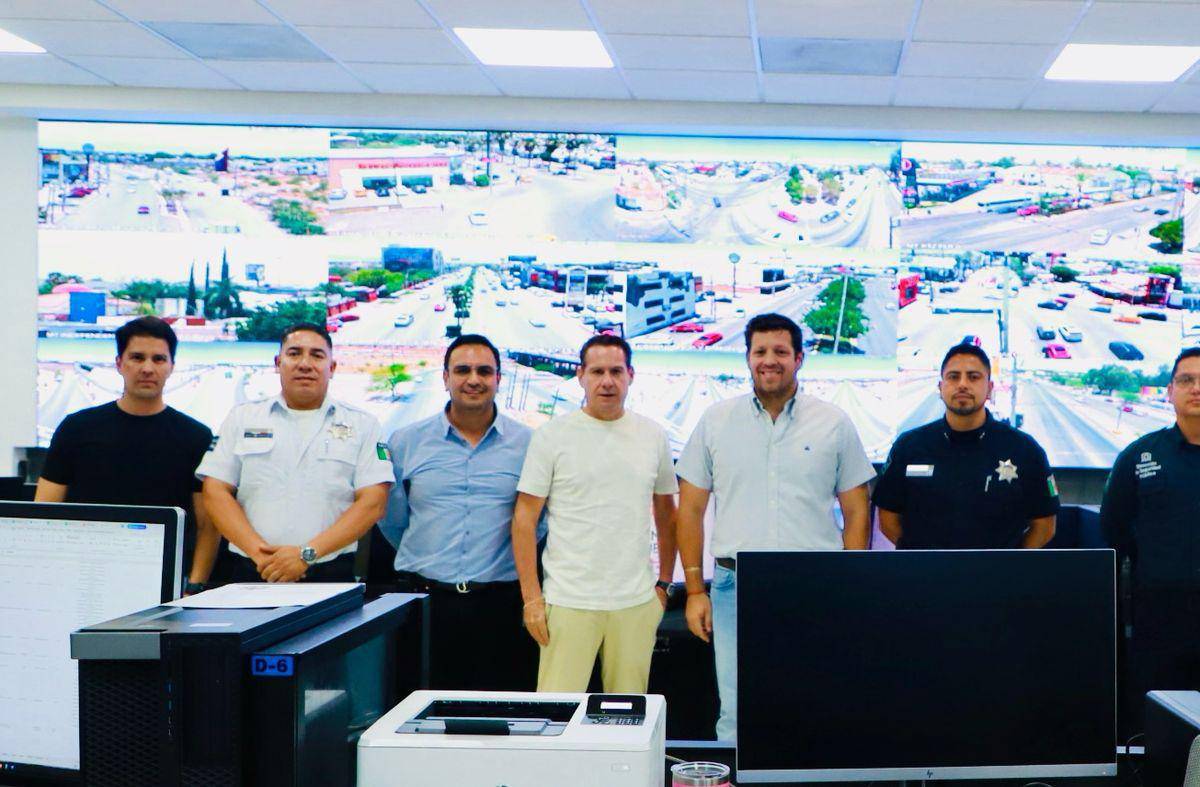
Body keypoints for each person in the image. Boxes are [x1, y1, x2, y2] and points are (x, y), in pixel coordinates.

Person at [675, 312, 875, 742]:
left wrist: (853, 584)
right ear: (748, 358)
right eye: (760, 351)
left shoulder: (834, 423)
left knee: (816, 700)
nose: (770, 360)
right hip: (735, 585)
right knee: (737, 709)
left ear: (799, 358)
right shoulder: (715, 421)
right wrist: (693, 591)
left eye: (781, 351)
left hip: (817, 584)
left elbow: (857, 510)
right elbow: (689, 510)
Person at [512, 334, 677, 694]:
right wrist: (532, 599)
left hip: (636, 603)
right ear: (581, 376)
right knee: (557, 714)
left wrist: (664, 584)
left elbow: (666, 512)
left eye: (616, 371)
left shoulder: (653, 435)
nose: (607, 381)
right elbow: (524, 519)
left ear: (630, 375)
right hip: (568, 601)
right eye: (597, 372)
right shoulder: (552, 436)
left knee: (628, 715)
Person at [380, 334, 538, 690]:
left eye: (484, 371)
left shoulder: (529, 444)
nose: (473, 380)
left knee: (498, 710)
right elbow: (392, 520)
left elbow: (535, 523)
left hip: (500, 606)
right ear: (445, 378)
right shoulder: (405, 441)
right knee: (416, 709)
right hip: (423, 603)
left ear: (498, 379)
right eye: (463, 370)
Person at [198, 323, 393, 583]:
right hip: (254, 570)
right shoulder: (242, 418)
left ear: (332, 367)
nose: (305, 364)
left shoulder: (364, 425)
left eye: (317, 355)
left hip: (330, 574)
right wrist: (262, 556)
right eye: (294, 353)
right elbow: (215, 492)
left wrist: (306, 555)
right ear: (278, 363)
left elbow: (374, 502)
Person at [37, 316, 217, 595]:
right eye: (137, 357)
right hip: (83, 576)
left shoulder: (196, 437)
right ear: (119, 363)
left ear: (172, 366)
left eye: (159, 359)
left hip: (164, 583)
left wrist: (195, 586)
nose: (147, 368)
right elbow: (44, 512)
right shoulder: (77, 429)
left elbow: (208, 524)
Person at [873, 343, 1059, 550]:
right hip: (925, 570)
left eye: (973, 377)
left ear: (989, 388)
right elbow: (887, 518)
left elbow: (1045, 525)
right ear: (940, 387)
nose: (962, 384)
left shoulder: (1025, 450)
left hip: (998, 571)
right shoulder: (908, 447)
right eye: (953, 377)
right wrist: (920, 559)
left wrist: (1011, 563)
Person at [1101, 346, 1200, 730]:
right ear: (1169, 391)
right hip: (1159, 618)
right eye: (1186, 380)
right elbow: (1114, 531)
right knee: (1157, 728)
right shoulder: (1139, 456)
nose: (1196, 388)